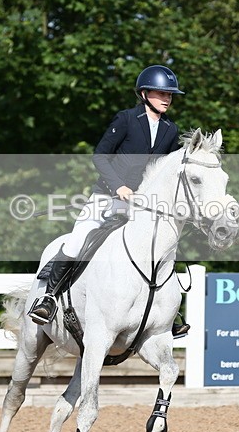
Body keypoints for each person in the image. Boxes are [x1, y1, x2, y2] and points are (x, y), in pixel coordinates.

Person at [28, 65, 191, 338]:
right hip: (106, 196)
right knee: (78, 240)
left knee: (159, 248)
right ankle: (48, 298)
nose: (167, 98)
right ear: (144, 93)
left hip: (141, 206)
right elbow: (100, 156)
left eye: (170, 95)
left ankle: (167, 314)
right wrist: (119, 187)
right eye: (161, 93)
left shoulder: (170, 130)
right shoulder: (127, 119)